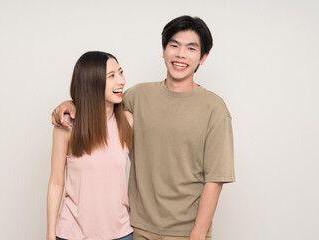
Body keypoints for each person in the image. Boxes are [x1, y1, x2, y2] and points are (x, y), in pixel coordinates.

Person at [52, 16, 235, 240]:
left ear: (203, 57)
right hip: (137, 229)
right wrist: (70, 104)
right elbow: (100, 99)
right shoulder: (137, 97)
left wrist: (197, 234)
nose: (180, 54)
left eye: (191, 48)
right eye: (174, 45)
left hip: (185, 232)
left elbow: (215, 179)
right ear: (163, 50)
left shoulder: (215, 108)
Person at [47, 51, 134, 240]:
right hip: (73, 233)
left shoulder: (128, 121)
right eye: (111, 76)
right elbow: (56, 182)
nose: (122, 80)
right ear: (91, 82)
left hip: (121, 234)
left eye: (120, 72)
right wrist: (50, 234)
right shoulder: (67, 125)